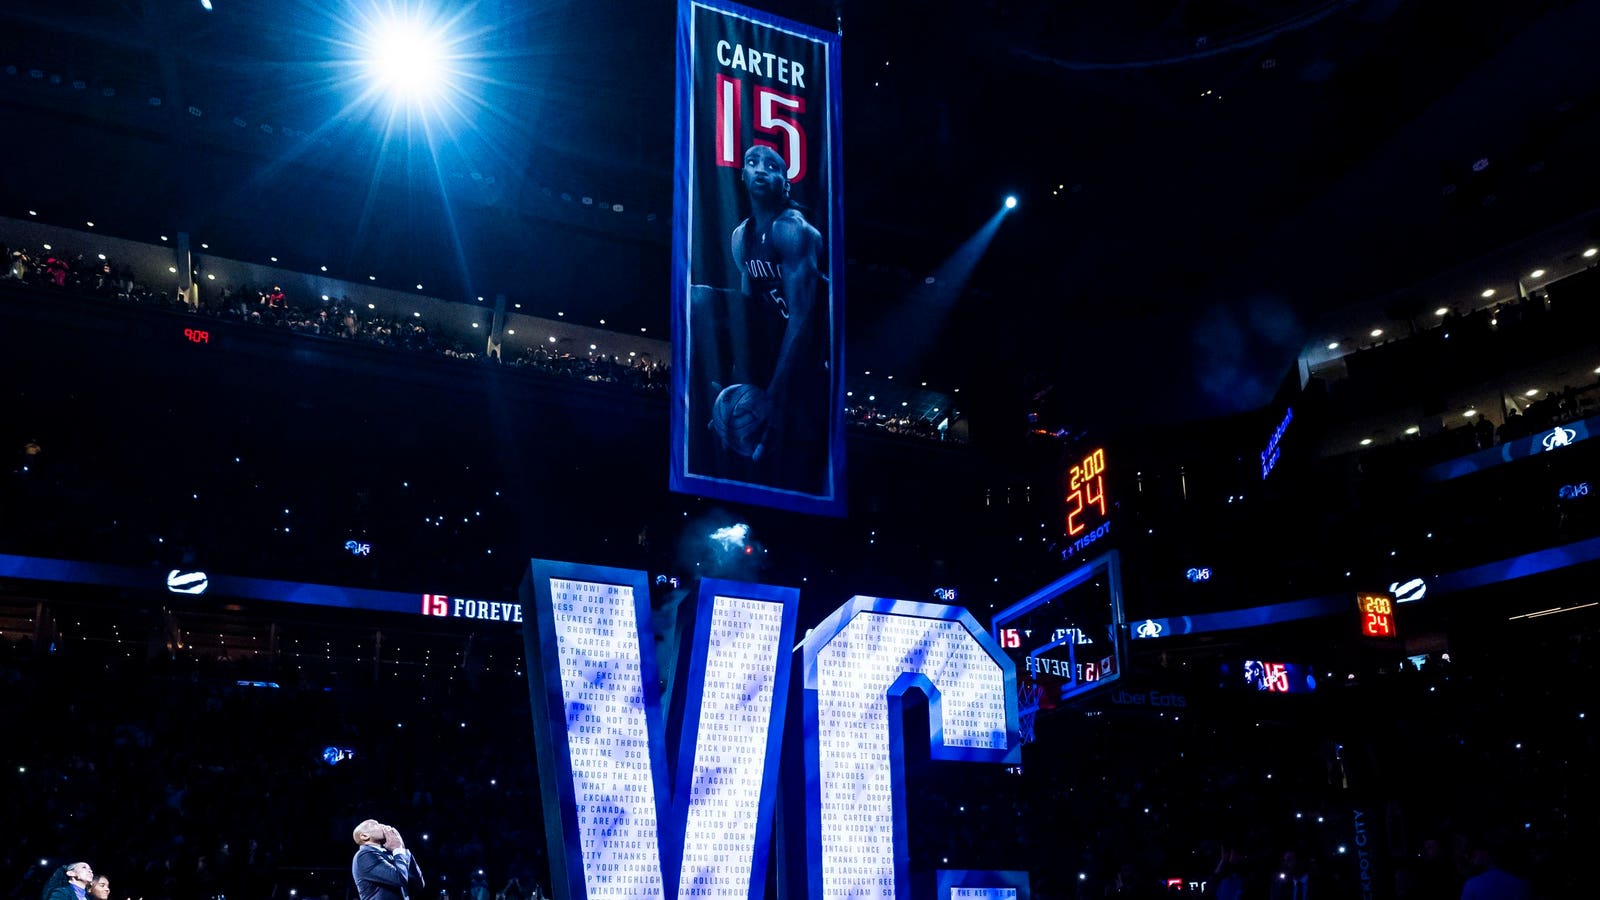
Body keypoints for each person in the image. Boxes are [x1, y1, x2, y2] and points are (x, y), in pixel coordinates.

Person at [689, 143, 829, 493]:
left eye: (772, 165)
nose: (761, 169)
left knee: (789, 439)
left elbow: (801, 318)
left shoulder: (793, 229)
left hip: (810, 339)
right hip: (770, 328)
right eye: (752, 163)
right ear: (743, 175)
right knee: (694, 296)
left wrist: (774, 396)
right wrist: (739, 381)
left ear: (785, 183)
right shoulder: (741, 237)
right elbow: (746, 312)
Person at [351, 820, 425, 900]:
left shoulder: (392, 854)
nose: (382, 825)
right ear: (364, 836)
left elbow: (418, 884)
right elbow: (399, 878)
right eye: (374, 825)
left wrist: (401, 849)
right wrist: (398, 849)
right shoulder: (364, 855)